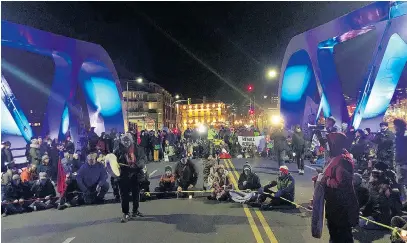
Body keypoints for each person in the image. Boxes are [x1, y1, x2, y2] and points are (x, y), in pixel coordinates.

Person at [115, 133, 146, 222]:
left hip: (135, 174)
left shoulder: (138, 149)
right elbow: (113, 162)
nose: (126, 142)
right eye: (124, 140)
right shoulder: (118, 150)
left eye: (128, 140)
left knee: (136, 194)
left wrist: (137, 165)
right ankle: (126, 213)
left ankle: (135, 211)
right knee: (124, 195)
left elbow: (143, 159)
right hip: (123, 175)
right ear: (121, 141)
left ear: (131, 140)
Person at [393, 119, 407, 202]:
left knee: (403, 182)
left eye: (395, 125)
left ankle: (404, 201)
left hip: (404, 163)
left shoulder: (404, 136)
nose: (394, 127)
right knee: (400, 182)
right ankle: (403, 200)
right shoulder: (398, 136)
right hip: (400, 162)